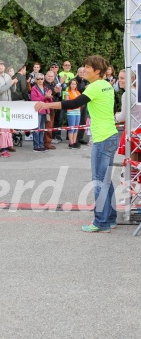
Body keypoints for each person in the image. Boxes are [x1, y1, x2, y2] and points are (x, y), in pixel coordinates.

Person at [35, 55, 118, 233]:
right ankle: (110, 218)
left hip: (103, 138)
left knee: (99, 181)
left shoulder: (95, 87)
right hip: (110, 136)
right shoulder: (107, 85)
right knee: (106, 180)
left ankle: (101, 222)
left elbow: (72, 103)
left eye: (88, 67)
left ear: (97, 71)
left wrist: (45, 105)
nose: (84, 69)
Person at [116, 69, 141, 163]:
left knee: (133, 165)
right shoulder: (138, 92)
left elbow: (124, 116)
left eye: (122, 78)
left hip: (133, 132)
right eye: (119, 78)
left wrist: (113, 117)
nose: (119, 80)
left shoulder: (127, 94)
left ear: (131, 79)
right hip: (137, 130)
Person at [30, 73, 51, 152]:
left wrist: (49, 97)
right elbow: (34, 99)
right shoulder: (34, 88)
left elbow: (49, 100)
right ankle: (36, 146)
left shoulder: (45, 88)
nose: (40, 80)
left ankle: (41, 145)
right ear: (35, 80)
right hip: (37, 110)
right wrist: (45, 97)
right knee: (37, 128)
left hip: (45, 110)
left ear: (44, 79)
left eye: (41, 79)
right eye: (38, 79)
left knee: (42, 129)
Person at [65, 79, 81, 149]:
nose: (73, 85)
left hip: (78, 111)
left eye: (75, 84)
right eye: (72, 84)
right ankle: (71, 142)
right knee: (71, 128)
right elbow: (67, 103)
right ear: (70, 85)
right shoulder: (67, 93)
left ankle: (74, 142)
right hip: (71, 112)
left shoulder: (78, 93)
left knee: (76, 128)